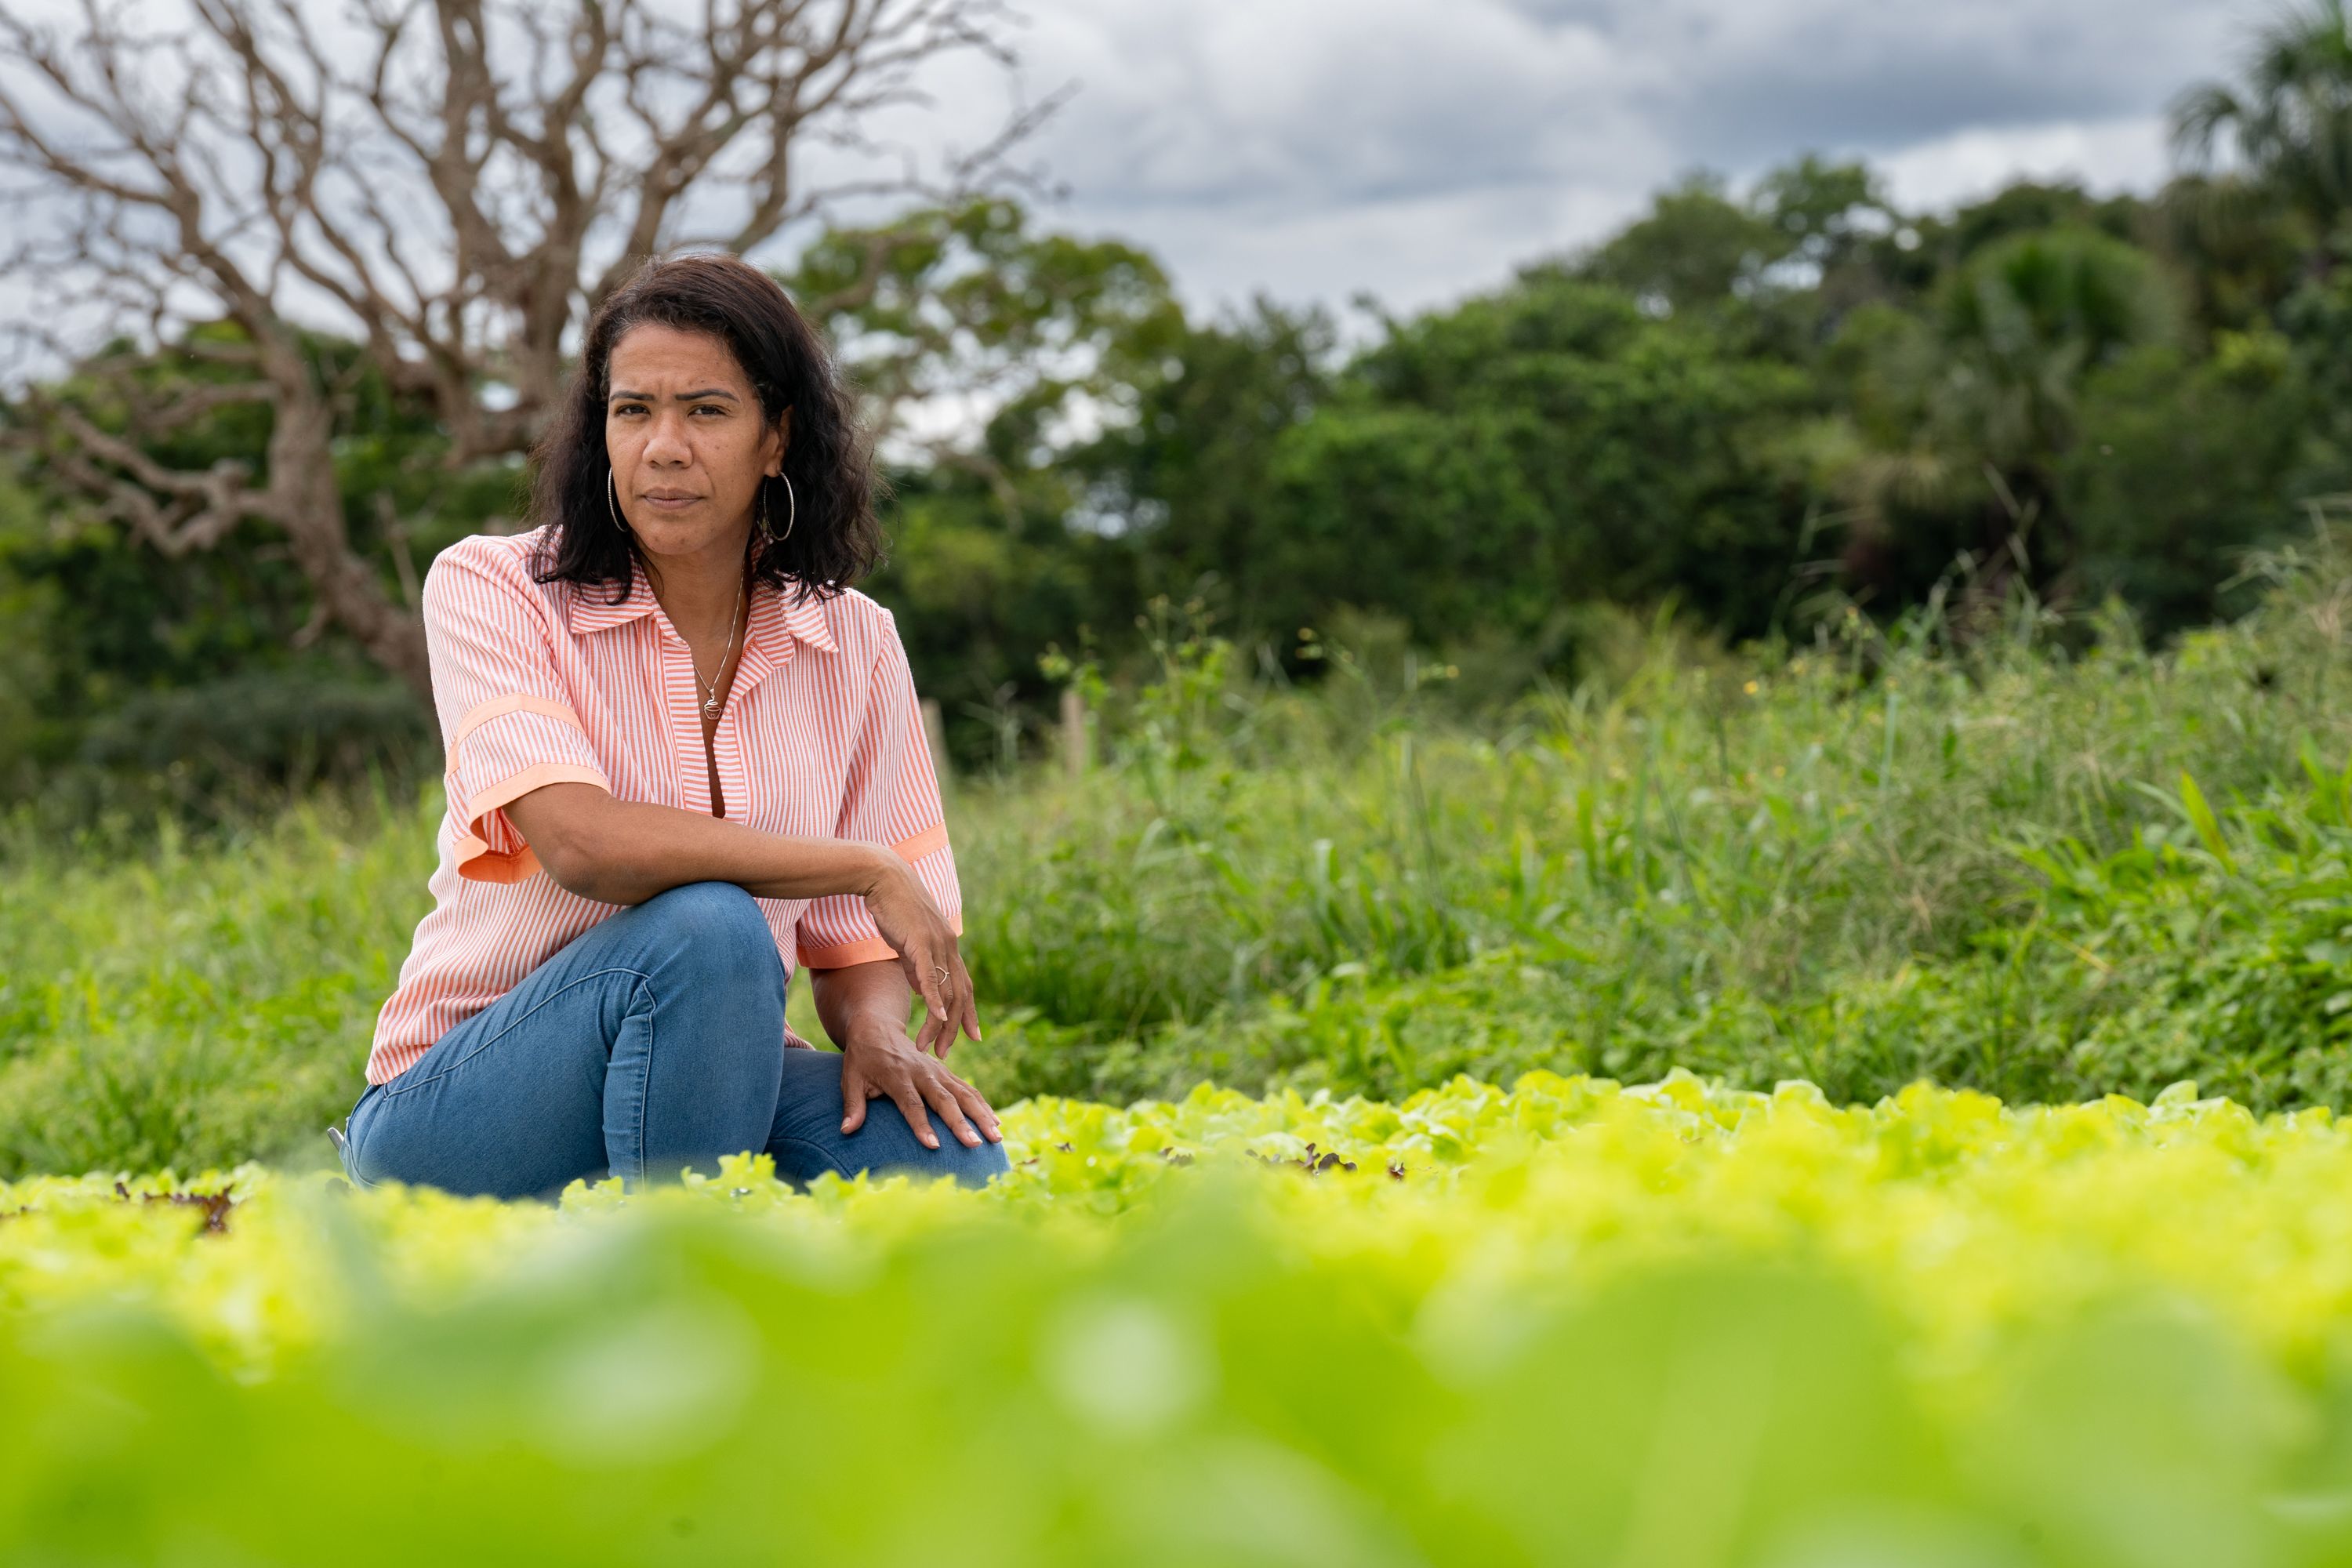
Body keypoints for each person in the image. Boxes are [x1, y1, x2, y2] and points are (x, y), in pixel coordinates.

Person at [335, 253, 1007, 1201]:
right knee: (713, 925)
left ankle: (671, 1219)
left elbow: (859, 946)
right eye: (633, 410)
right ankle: (674, 1286)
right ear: (601, 430)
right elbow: (582, 842)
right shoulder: (493, 588)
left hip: (715, 1075)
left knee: (941, 1153)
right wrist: (862, 863)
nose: (664, 446)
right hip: (463, 1104)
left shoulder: (855, 641)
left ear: (776, 438)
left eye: (706, 410)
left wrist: (876, 1033)